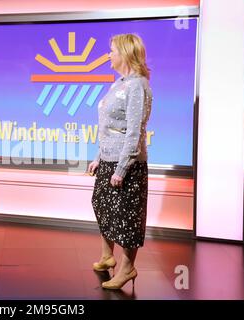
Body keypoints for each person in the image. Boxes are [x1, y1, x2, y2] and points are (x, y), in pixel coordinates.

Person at [88, 34, 152, 290]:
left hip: (128, 163)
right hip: (108, 157)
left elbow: (134, 131)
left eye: (112, 50)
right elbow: (107, 126)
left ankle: (127, 268)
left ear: (125, 53)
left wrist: (122, 167)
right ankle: (107, 256)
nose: (108, 54)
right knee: (102, 205)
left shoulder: (138, 86)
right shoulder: (119, 84)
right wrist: (98, 157)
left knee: (126, 217)